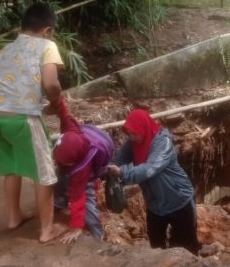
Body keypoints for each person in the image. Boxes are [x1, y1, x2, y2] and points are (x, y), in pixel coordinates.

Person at [0, 2, 67, 243]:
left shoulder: (5, 50)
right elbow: (51, 83)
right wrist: (56, 100)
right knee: (44, 173)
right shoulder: (47, 46)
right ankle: (47, 230)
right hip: (21, 118)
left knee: (11, 168)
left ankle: (13, 217)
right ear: (48, 30)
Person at [106, 109, 200, 254]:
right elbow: (118, 159)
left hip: (178, 200)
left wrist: (123, 173)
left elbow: (149, 169)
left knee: (186, 247)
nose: (131, 137)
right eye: (129, 134)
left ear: (144, 128)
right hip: (155, 205)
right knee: (156, 248)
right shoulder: (134, 142)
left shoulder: (163, 142)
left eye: (134, 133)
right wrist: (106, 168)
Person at [52, 97, 114, 244]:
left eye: (62, 161)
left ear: (73, 162)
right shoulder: (70, 130)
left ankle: (97, 233)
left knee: (86, 199)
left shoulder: (81, 170)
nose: (56, 162)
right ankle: (58, 203)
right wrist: (57, 101)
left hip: (93, 161)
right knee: (59, 177)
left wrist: (76, 226)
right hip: (85, 142)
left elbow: (77, 198)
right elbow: (65, 115)